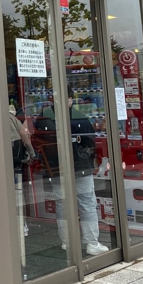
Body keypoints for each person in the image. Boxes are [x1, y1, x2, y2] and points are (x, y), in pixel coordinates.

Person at [43, 86, 108, 256]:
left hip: (56, 168)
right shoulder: (79, 117)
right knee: (86, 203)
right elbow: (91, 142)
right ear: (71, 99)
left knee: (62, 205)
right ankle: (92, 243)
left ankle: (67, 242)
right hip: (81, 168)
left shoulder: (44, 118)